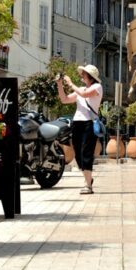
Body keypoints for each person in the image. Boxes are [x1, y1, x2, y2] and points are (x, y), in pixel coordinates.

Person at [56, 64, 103, 195]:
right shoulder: (80, 89)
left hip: (89, 123)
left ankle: (88, 185)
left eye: (84, 73)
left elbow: (84, 94)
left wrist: (70, 83)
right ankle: (88, 178)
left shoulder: (97, 87)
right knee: (78, 153)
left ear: (90, 76)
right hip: (77, 123)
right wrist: (60, 84)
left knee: (86, 152)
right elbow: (64, 99)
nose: (81, 75)